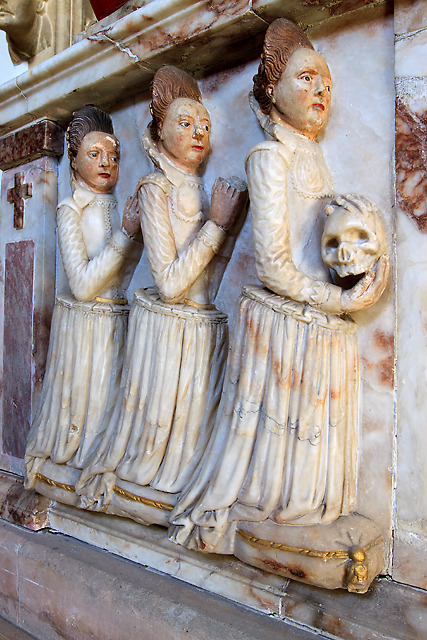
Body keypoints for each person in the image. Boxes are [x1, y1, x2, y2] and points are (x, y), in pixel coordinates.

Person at [169, 19, 389, 554]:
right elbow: (271, 266)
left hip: (313, 322)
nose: (321, 91)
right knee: (274, 473)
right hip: (282, 323)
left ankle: (307, 512)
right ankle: (269, 521)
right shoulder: (269, 157)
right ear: (271, 90)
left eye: (327, 85)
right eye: (308, 78)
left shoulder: (310, 153)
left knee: (312, 466)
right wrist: (336, 299)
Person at [75, 67, 247, 524]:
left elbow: (207, 280)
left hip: (196, 328)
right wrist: (216, 225)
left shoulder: (194, 185)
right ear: (158, 129)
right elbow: (170, 283)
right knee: (156, 448)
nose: (198, 132)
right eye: (185, 123)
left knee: (188, 441)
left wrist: (224, 229)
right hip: (168, 333)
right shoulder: (154, 188)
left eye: (205, 125)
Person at [25, 105, 143, 492]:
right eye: (94, 154)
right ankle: (72, 465)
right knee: (85, 409)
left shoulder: (123, 206)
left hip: (119, 320)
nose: (107, 163)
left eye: (113, 156)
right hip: (85, 326)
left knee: (112, 408)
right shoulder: (69, 209)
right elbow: (80, 284)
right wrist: (126, 235)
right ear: (73, 160)